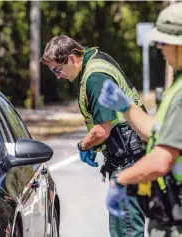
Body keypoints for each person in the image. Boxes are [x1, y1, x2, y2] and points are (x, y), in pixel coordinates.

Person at [41, 35, 147, 237]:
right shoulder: (94, 60)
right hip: (128, 156)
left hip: (128, 159)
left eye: (57, 69)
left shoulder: (95, 77)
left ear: (72, 58)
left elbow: (101, 130)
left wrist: (84, 146)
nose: (57, 75)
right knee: (124, 227)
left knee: (127, 229)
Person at [98, 3, 182, 236]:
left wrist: (121, 180)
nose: (159, 46)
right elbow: (158, 132)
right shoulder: (178, 84)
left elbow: (161, 161)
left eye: (164, 41)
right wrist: (126, 108)